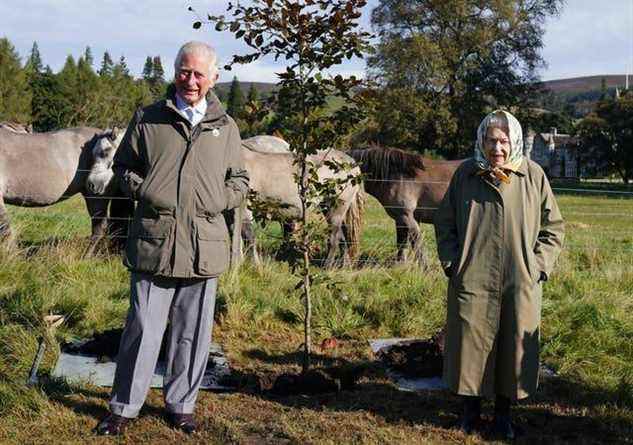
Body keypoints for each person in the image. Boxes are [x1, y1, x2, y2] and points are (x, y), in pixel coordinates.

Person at [96, 41, 249, 436]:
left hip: (204, 245)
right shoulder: (148, 119)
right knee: (142, 327)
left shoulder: (226, 127)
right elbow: (123, 167)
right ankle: (124, 407)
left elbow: (240, 180)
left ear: (214, 77)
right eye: (184, 71)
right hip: (155, 241)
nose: (191, 80)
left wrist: (219, 199)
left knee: (193, 331)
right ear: (175, 72)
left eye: (199, 73)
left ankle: (182, 406)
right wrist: (145, 191)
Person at [434, 110, 564, 439]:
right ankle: (470, 412)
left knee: (513, 346)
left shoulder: (533, 176)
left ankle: (504, 416)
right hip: (473, 277)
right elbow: (445, 223)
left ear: (515, 142)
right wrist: (452, 263)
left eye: (504, 140)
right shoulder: (466, 174)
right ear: (482, 141)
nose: (498, 148)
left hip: (519, 280)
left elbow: (553, 229)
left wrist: (537, 267)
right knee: (470, 345)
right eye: (491, 140)